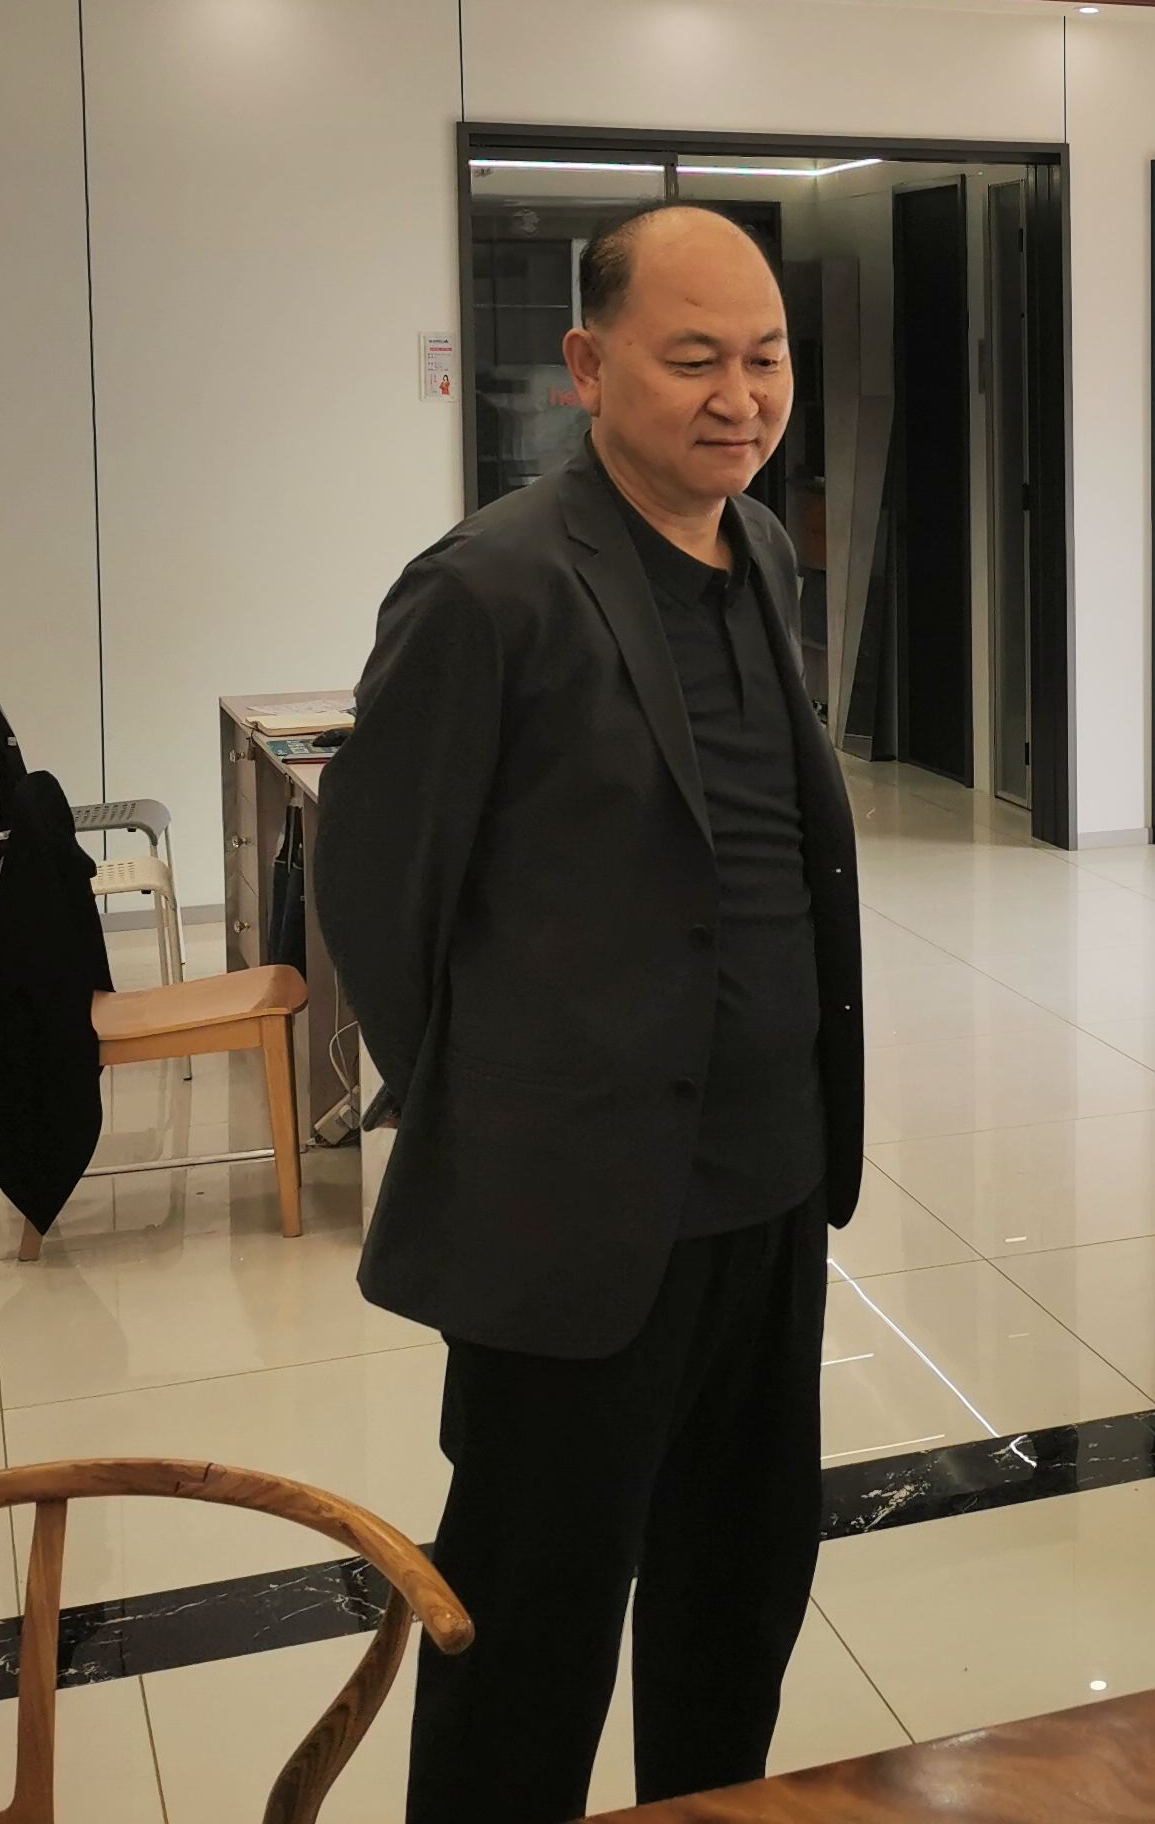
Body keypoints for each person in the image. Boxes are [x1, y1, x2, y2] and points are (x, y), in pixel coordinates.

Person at [317, 205, 865, 1821]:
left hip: (769, 1191)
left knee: (736, 1592)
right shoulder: (491, 588)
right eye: (694, 359)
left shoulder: (758, 550)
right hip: (572, 1225)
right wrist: (508, 1117)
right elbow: (376, 894)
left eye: (764, 358)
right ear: (586, 364)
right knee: (530, 1626)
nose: (740, 398)